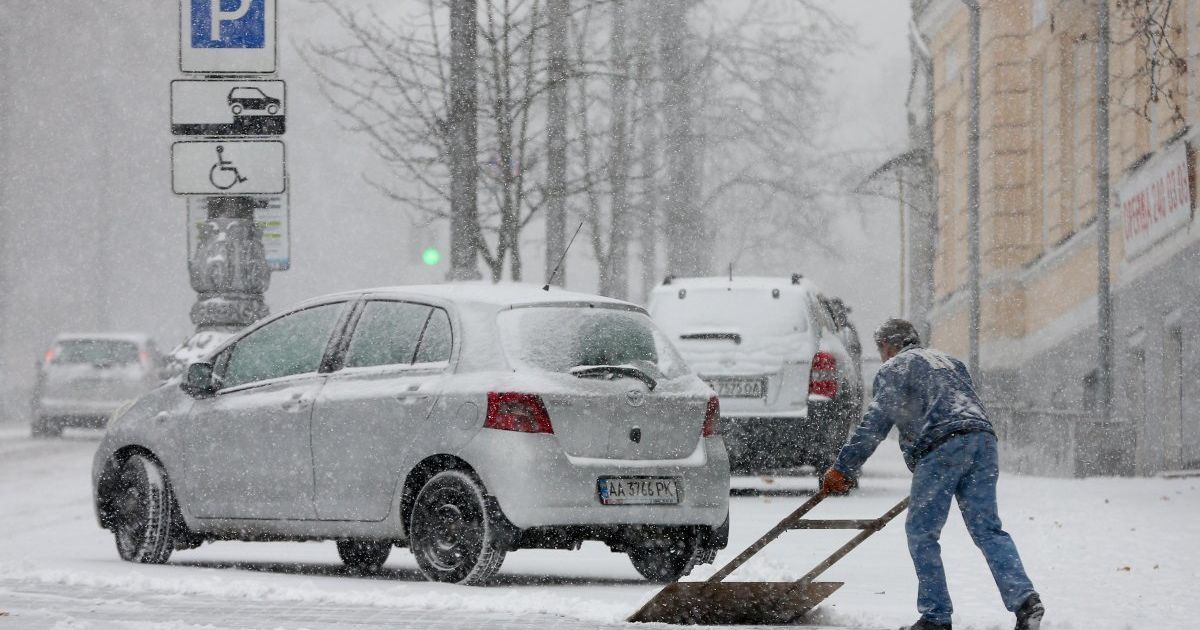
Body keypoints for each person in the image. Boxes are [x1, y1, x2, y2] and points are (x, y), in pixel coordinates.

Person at [820, 318, 1044, 630]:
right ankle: (1025, 600)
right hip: (982, 440)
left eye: (881, 349)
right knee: (988, 529)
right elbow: (959, 405)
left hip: (942, 446)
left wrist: (843, 467)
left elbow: (876, 422)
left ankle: (936, 617)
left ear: (888, 346)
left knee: (922, 532)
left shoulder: (897, 366)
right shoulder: (950, 362)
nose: (883, 355)